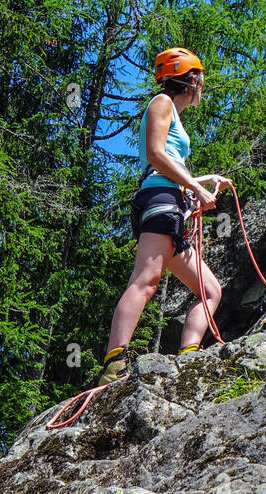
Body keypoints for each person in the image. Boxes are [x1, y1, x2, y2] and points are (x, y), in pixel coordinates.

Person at [99, 48, 232, 386]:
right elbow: (157, 155)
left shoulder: (171, 109)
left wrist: (203, 182)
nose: (202, 85)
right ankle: (114, 362)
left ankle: (188, 358)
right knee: (146, 280)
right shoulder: (161, 102)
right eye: (200, 78)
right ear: (191, 79)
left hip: (170, 201)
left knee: (210, 291)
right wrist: (196, 188)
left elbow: (166, 161)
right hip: (161, 199)